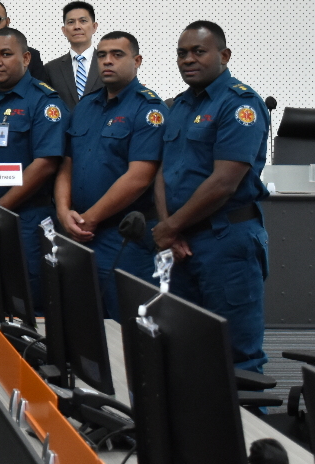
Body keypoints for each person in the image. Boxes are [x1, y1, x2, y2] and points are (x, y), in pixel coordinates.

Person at [152, 21, 270, 372]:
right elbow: (162, 171)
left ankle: (253, 428)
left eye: (198, 52)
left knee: (237, 356)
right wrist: (168, 227)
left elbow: (224, 183)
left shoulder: (240, 104)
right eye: (182, 53)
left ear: (224, 55)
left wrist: (170, 227)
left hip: (226, 242)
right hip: (182, 242)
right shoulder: (179, 106)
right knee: (187, 349)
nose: (188, 59)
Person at [53, 31, 163, 320]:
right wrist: (64, 211)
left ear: (137, 61)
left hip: (123, 235)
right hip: (79, 230)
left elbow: (140, 177)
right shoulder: (86, 106)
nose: (107, 61)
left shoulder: (149, 108)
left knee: (124, 323)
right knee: (83, 322)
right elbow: (67, 164)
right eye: (101, 55)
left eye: (117, 55)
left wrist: (89, 219)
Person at [0, 28, 68, 307]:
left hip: (26, 219)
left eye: (6, 54)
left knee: (28, 302)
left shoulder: (45, 101)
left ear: (26, 57)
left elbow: (45, 165)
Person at [46, 2, 103, 110]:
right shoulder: (51, 69)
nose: (77, 26)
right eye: (71, 22)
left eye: (83, 21)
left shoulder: (108, 64)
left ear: (94, 27)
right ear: (64, 30)